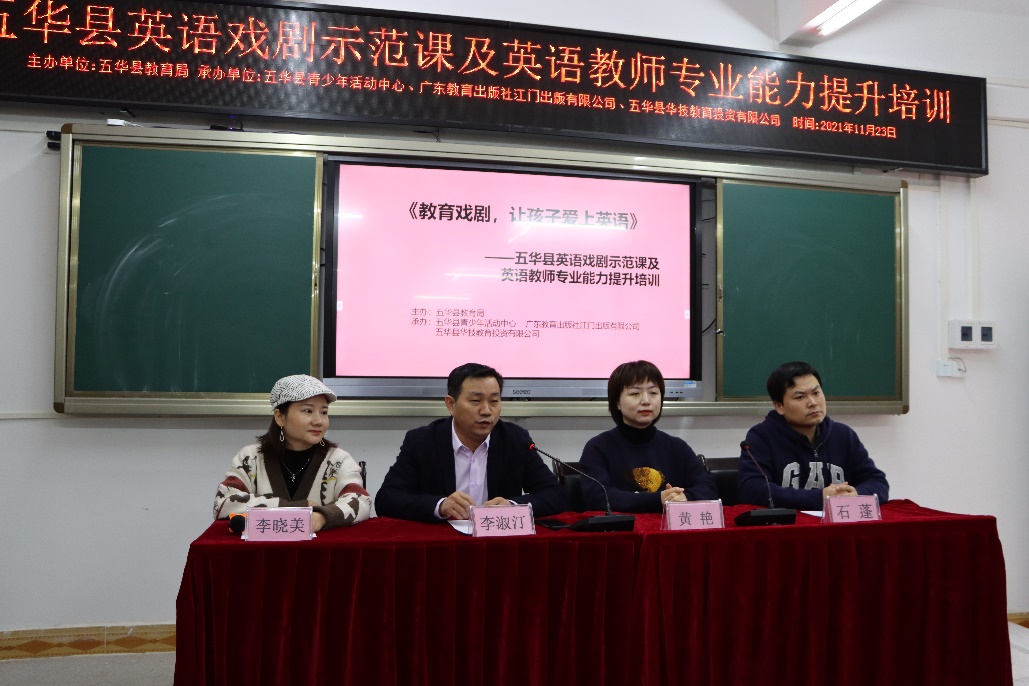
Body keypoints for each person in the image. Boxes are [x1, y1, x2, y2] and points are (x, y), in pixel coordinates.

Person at [375, 362, 565, 522]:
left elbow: (555, 495)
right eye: (475, 401)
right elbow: (386, 499)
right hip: (443, 542)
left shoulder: (515, 439)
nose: (486, 411)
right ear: (451, 404)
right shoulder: (422, 441)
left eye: (494, 401)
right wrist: (440, 506)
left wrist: (512, 506)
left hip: (497, 541)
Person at [213, 374, 371, 531]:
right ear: (280, 417)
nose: (319, 421)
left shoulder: (338, 460)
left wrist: (321, 517)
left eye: (324, 412)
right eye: (308, 411)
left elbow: (361, 501)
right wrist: (294, 508)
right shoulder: (250, 458)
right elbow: (223, 502)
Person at [738, 361, 889, 511]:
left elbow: (878, 482)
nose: (813, 402)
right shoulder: (762, 437)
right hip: (789, 524)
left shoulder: (843, 435)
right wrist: (819, 498)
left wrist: (855, 494)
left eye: (816, 393)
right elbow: (753, 490)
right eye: (800, 397)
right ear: (779, 406)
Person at [578, 360, 717, 512]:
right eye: (635, 393)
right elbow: (597, 498)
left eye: (653, 393)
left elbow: (708, 489)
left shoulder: (677, 447)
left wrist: (685, 497)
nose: (646, 401)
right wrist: (658, 499)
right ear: (617, 402)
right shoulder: (598, 447)